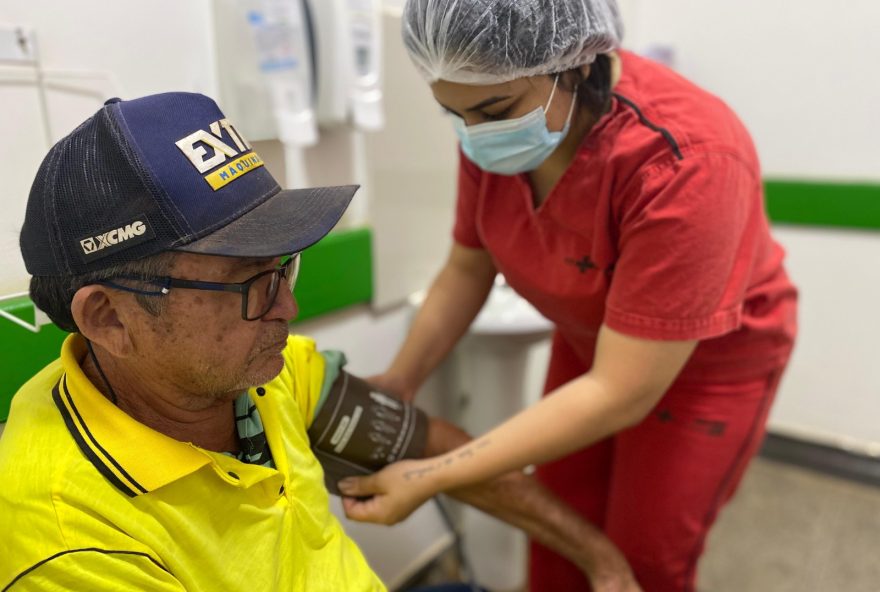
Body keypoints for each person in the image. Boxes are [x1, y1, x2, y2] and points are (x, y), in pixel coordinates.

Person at [0, 92, 641, 591]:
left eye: (285, 267)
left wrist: (602, 558)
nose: (289, 306)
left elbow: (425, 445)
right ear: (109, 319)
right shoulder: (72, 545)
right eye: (249, 283)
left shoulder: (259, 374)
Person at [339, 1, 799, 591]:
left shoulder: (686, 160)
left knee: (642, 560)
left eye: (493, 110)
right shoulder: (490, 128)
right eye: (452, 114)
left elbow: (619, 390)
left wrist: (429, 476)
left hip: (708, 368)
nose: (474, 135)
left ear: (577, 65)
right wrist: (401, 380)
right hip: (591, 346)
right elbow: (465, 268)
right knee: (558, 528)